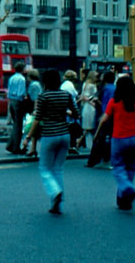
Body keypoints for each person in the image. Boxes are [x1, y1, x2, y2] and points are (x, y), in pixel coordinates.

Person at [25, 69, 79, 214]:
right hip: (65, 134)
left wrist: (28, 137)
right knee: (58, 169)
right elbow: (76, 113)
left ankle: (55, 193)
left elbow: (37, 118)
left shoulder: (43, 96)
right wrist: (64, 112)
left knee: (44, 168)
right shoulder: (66, 95)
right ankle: (56, 204)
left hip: (49, 134)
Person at [95, 76, 135, 211]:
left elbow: (104, 119)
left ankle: (127, 188)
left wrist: (97, 134)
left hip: (118, 138)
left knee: (118, 166)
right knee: (130, 167)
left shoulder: (114, 102)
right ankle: (123, 199)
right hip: (133, 138)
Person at [86, 71, 117, 168]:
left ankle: (95, 160)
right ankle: (107, 158)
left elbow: (106, 103)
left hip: (105, 115)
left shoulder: (106, 89)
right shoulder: (115, 88)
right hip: (114, 116)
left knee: (100, 137)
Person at [5, 62, 28, 155]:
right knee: (19, 126)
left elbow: (9, 91)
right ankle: (16, 148)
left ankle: (10, 145)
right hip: (18, 102)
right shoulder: (22, 79)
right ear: (22, 69)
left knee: (16, 125)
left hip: (11, 101)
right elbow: (20, 93)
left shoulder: (12, 78)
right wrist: (24, 98)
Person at [21, 68, 42, 157]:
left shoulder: (34, 85)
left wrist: (35, 110)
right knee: (34, 130)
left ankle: (27, 146)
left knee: (29, 127)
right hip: (33, 108)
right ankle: (32, 149)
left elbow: (35, 98)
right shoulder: (37, 84)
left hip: (32, 109)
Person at [77, 71, 99, 149]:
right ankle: (80, 141)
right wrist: (93, 102)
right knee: (91, 126)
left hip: (86, 107)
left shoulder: (85, 84)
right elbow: (91, 96)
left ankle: (80, 141)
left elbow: (83, 96)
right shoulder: (92, 86)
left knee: (88, 127)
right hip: (91, 107)